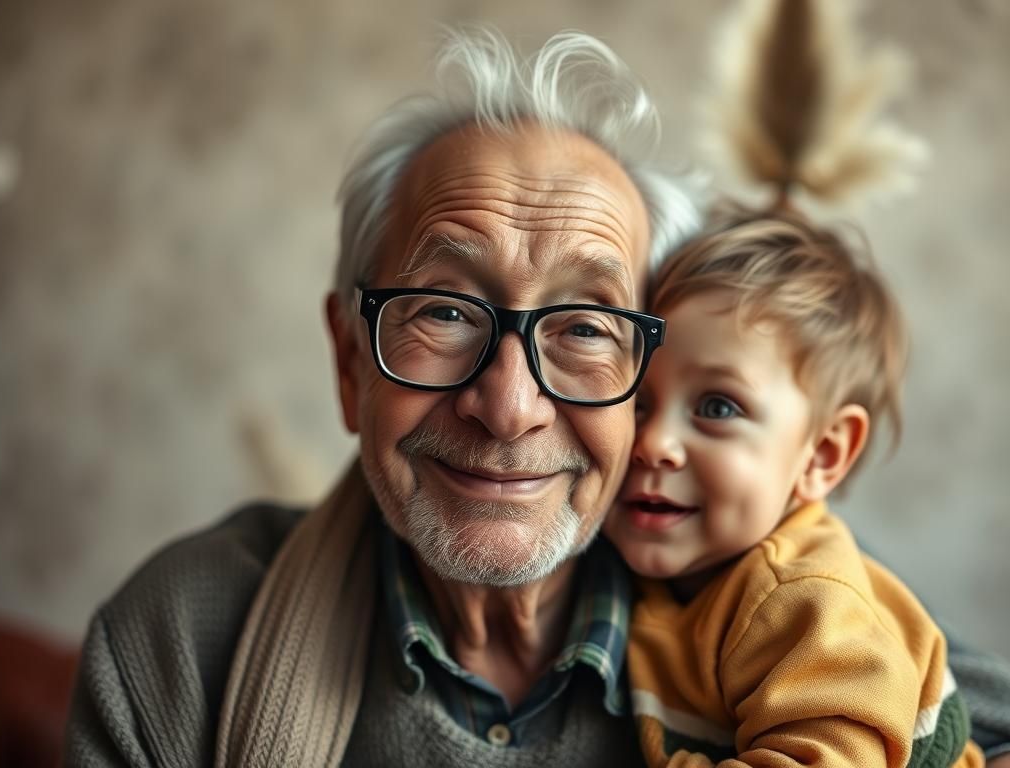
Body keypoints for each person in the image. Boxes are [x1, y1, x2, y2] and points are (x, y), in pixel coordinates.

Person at [63, 28, 1010, 768]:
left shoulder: (766, 574)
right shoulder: (182, 640)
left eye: (587, 327)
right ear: (351, 361)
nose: (508, 406)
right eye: (444, 310)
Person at [603, 206, 983, 767]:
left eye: (716, 406)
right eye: (637, 401)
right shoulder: (661, 575)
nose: (654, 442)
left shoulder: (803, 597)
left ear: (822, 455)